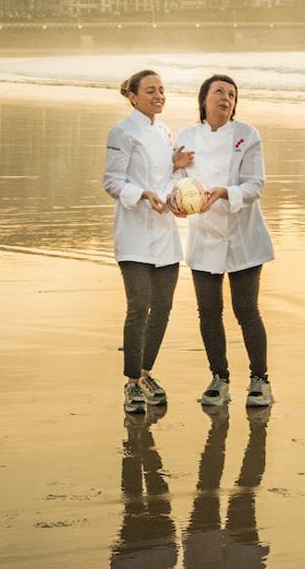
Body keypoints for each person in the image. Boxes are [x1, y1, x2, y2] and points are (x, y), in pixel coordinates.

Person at [170, 75, 275, 408]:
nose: (225, 99)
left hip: (244, 235)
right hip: (203, 235)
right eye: (219, 92)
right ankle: (219, 378)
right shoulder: (186, 137)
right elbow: (176, 181)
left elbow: (255, 186)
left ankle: (260, 381)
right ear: (204, 100)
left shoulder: (247, 135)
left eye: (231, 94)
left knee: (247, 310)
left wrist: (224, 193)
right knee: (209, 312)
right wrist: (177, 199)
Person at [102, 69, 192, 413]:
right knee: (139, 306)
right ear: (133, 96)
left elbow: (165, 178)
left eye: (162, 90)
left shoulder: (163, 131)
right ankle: (130, 384)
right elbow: (112, 182)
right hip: (135, 233)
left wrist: (177, 175)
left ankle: (145, 372)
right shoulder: (122, 132)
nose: (159, 96)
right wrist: (144, 195)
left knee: (163, 309)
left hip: (165, 233)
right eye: (151, 90)